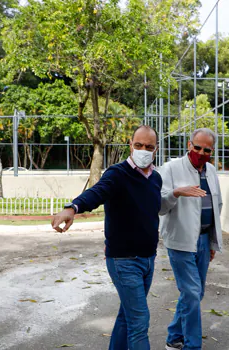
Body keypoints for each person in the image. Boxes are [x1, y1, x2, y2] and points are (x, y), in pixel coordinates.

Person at [51, 125, 162, 350]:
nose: (143, 150)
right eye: (138, 145)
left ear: (155, 149)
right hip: (124, 261)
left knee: (127, 317)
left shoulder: (156, 179)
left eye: (148, 147)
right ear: (130, 145)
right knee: (139, 322)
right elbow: (97, 192)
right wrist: (72, 207)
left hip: (148, 259)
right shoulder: (117, 174)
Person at [158, 128, 223, 350]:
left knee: (195, 292)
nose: (201, 153)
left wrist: (213, 242)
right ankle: (192, 345)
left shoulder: (212, 171)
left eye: (207, 150)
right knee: (192, 293)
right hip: (181, 241)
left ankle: (174, 336)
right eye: (197, 147)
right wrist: (176, 193)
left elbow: (217, 206)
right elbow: (159, 206)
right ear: (189, 145)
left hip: (204, 240)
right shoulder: (171, 168)